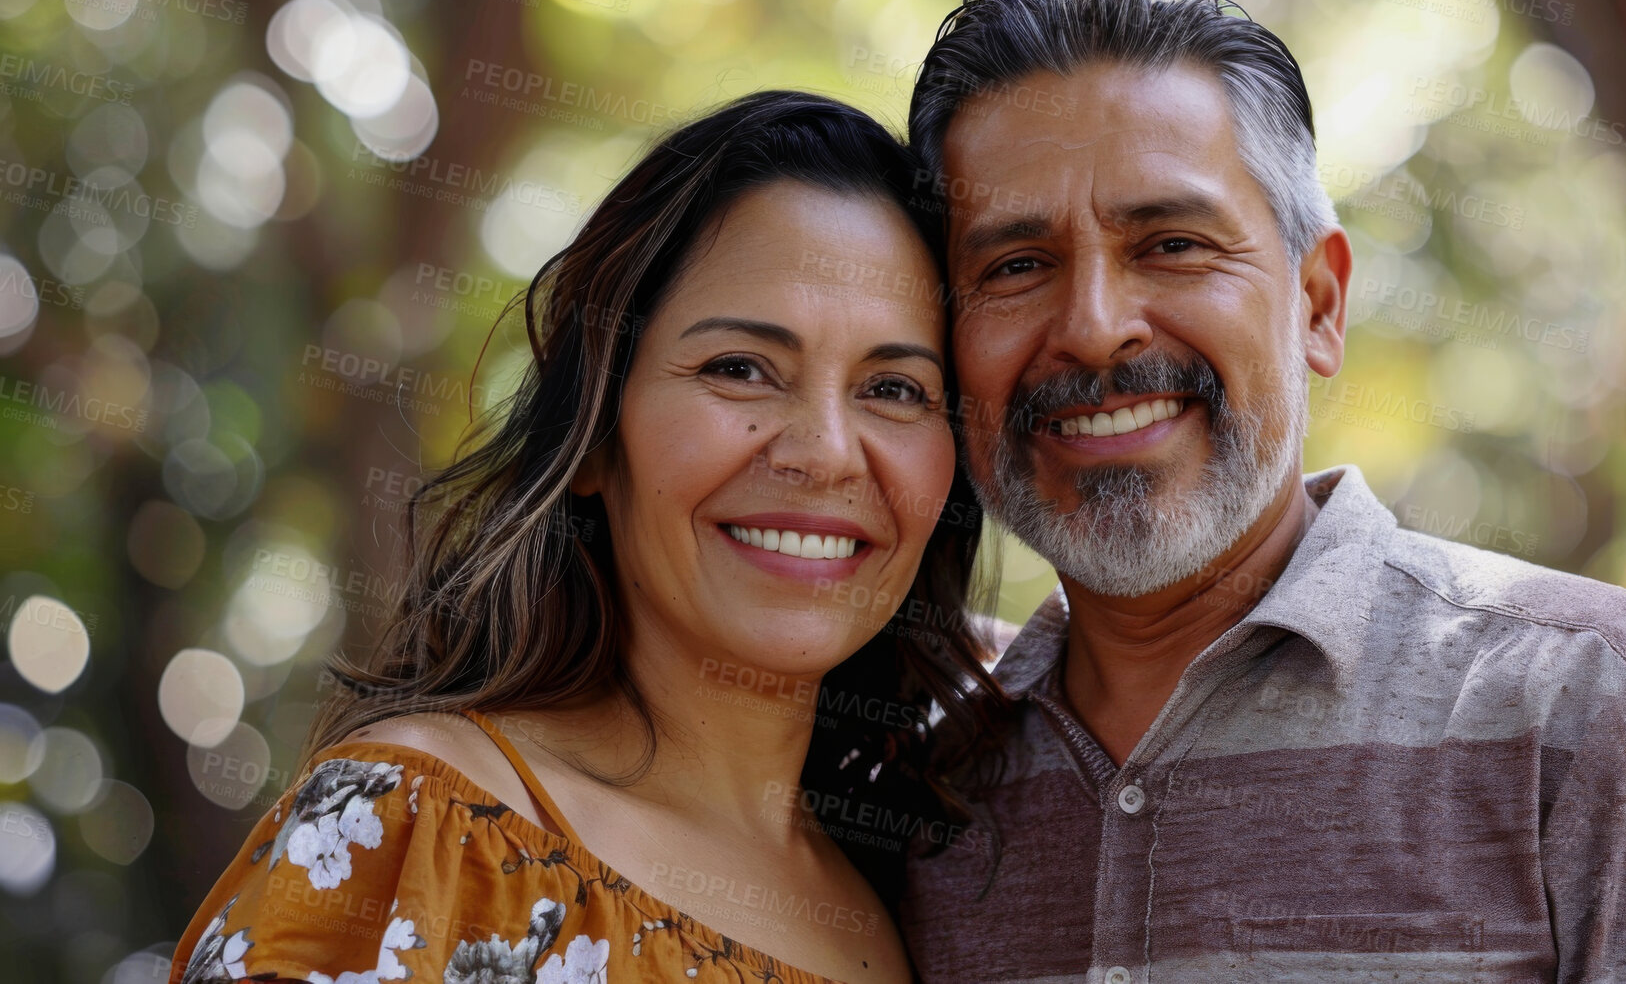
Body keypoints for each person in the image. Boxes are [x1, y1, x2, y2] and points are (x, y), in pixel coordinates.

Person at [898, 0, 1626, 983]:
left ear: (1317, 304)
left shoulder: (1592, 700)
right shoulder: (919, 789)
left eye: (1172, 244)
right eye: (1016, 266)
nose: (1092, 328)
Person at [171, 91, 1004, 984]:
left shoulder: (931, 909)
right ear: (594, 434)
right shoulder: (419, 826)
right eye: (740, 369)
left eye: (895, 388)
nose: (826, 454)